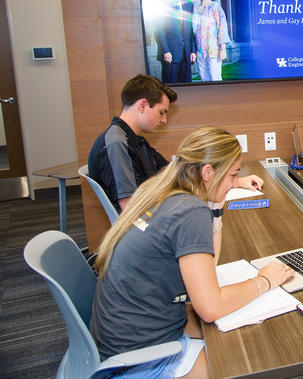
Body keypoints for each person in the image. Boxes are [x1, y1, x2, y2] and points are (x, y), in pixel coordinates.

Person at [91, 126, 291, 378]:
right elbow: (210, 307)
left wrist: (216, 210)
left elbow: (211, 263)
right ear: (208, 172)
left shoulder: (163, 192)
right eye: (232, 175)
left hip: (122, 341)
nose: (232, 184)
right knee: (252, 357)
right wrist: (265, 281)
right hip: (140, 361)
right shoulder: (189, 211)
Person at [89, 75, 177, 212]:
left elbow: (168, 170)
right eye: (162, 112)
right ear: (143, 105)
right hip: (142, 225)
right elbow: (129, 207)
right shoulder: (117, 143)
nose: (164, 120)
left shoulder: (136, 140)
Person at [156, 0, 197, 83]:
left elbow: (191, 29)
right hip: (170, 55)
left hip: (186, 54)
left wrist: (193, 50)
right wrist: (166, 51)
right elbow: (159, 30)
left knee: (188, 89)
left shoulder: (189, 5)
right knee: (171, 89)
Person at [193, 0, 230, 82]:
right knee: (204, 80)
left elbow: (221, 27)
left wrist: (223, 49)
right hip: (200, 51)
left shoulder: (215, 7)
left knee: (215, 79)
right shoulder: (195, 10)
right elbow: (193, 32)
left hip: (214, 50)